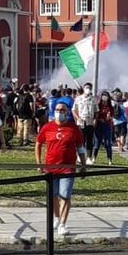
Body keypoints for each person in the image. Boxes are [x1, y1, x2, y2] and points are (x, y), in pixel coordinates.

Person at [34, 99, 87, 236]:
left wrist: (83, 164)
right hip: (50, 167)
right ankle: (56, 218)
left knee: (65, 195)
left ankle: (63, 224)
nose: (59, 113)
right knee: (53, 195)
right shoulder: (47, 127)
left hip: (68, 168)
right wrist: (39, 163)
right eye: (57, 110)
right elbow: (38, 143)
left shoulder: (73, 129)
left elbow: (80, 147)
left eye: (62, 110)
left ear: (67, 112)